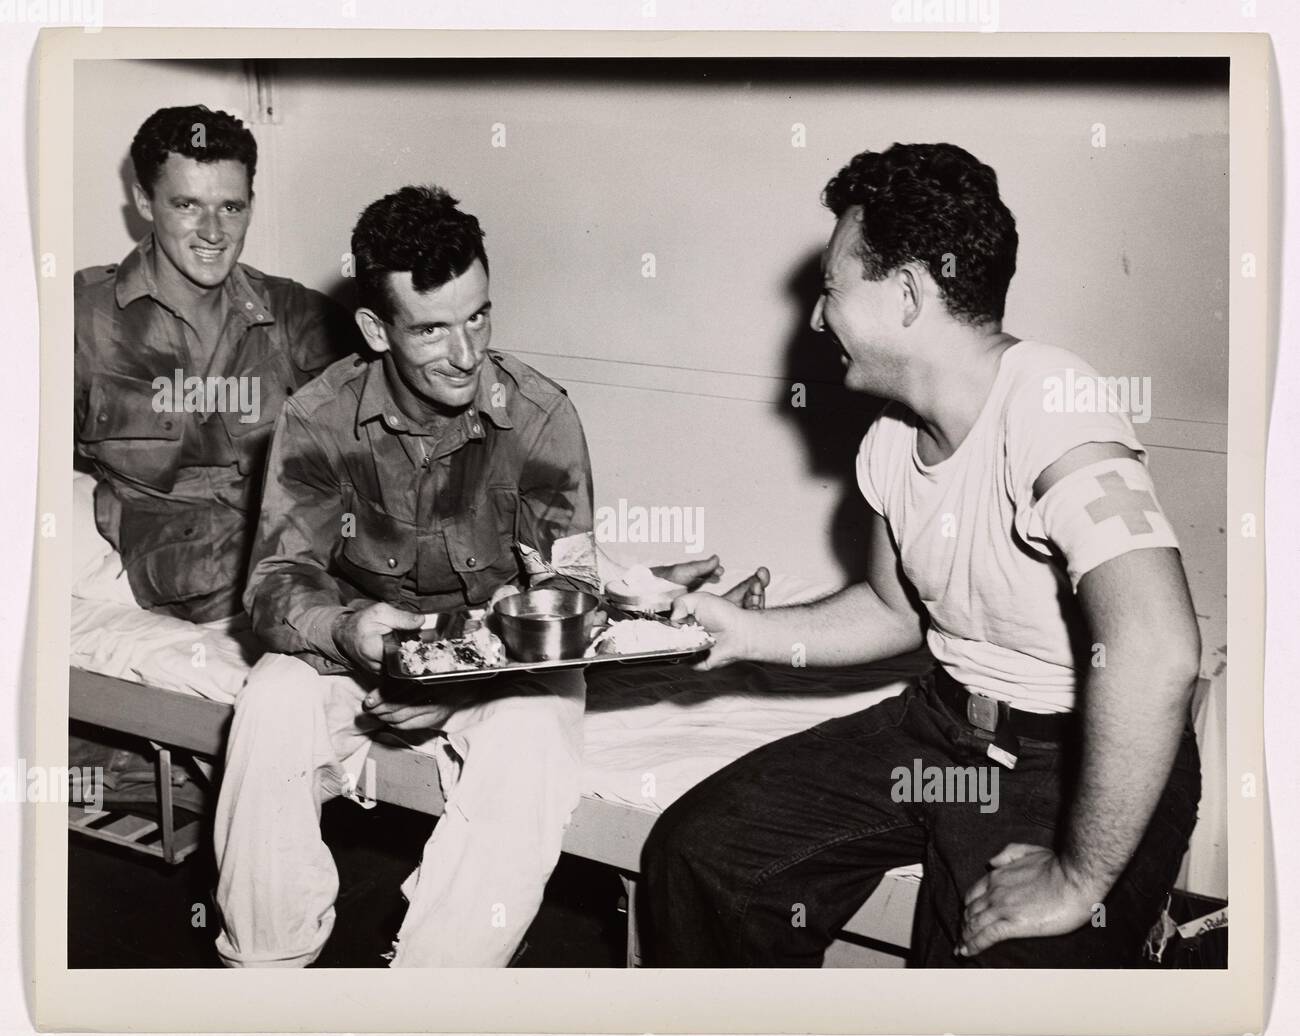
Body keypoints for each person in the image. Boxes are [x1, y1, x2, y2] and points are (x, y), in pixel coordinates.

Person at [643, 142, 1202, 969]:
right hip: (944, 746)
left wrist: (1075, 877)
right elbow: (893, 607)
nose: (816, 318)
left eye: (831, 290)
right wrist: (742, 630)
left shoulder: (1052, 402)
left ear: (907, 294)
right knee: (700, 856)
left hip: (1064, 760)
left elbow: (1157, 648)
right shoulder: (892, 438)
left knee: (986, 976)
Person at [213, 184, 766, 968]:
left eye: (478, 317)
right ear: (375, 328)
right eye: (433, 330)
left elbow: (570, 601)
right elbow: (274, 583)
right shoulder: (317, 419)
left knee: (537, 734)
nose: (467, 355)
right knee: (270, 698)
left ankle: (428, 1002)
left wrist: (453, 683)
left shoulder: (540, 416)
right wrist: (345, 628)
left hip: (505, 667)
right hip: (357, 651)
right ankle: (262, 984)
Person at [74, 104, 355, 623]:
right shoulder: (83, 319)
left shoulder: (292, 312)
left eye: (231, 207)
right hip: (196, 567)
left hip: (306, 544)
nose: (212, 232)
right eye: (187, 205)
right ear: (143, 200)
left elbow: (386, 413)